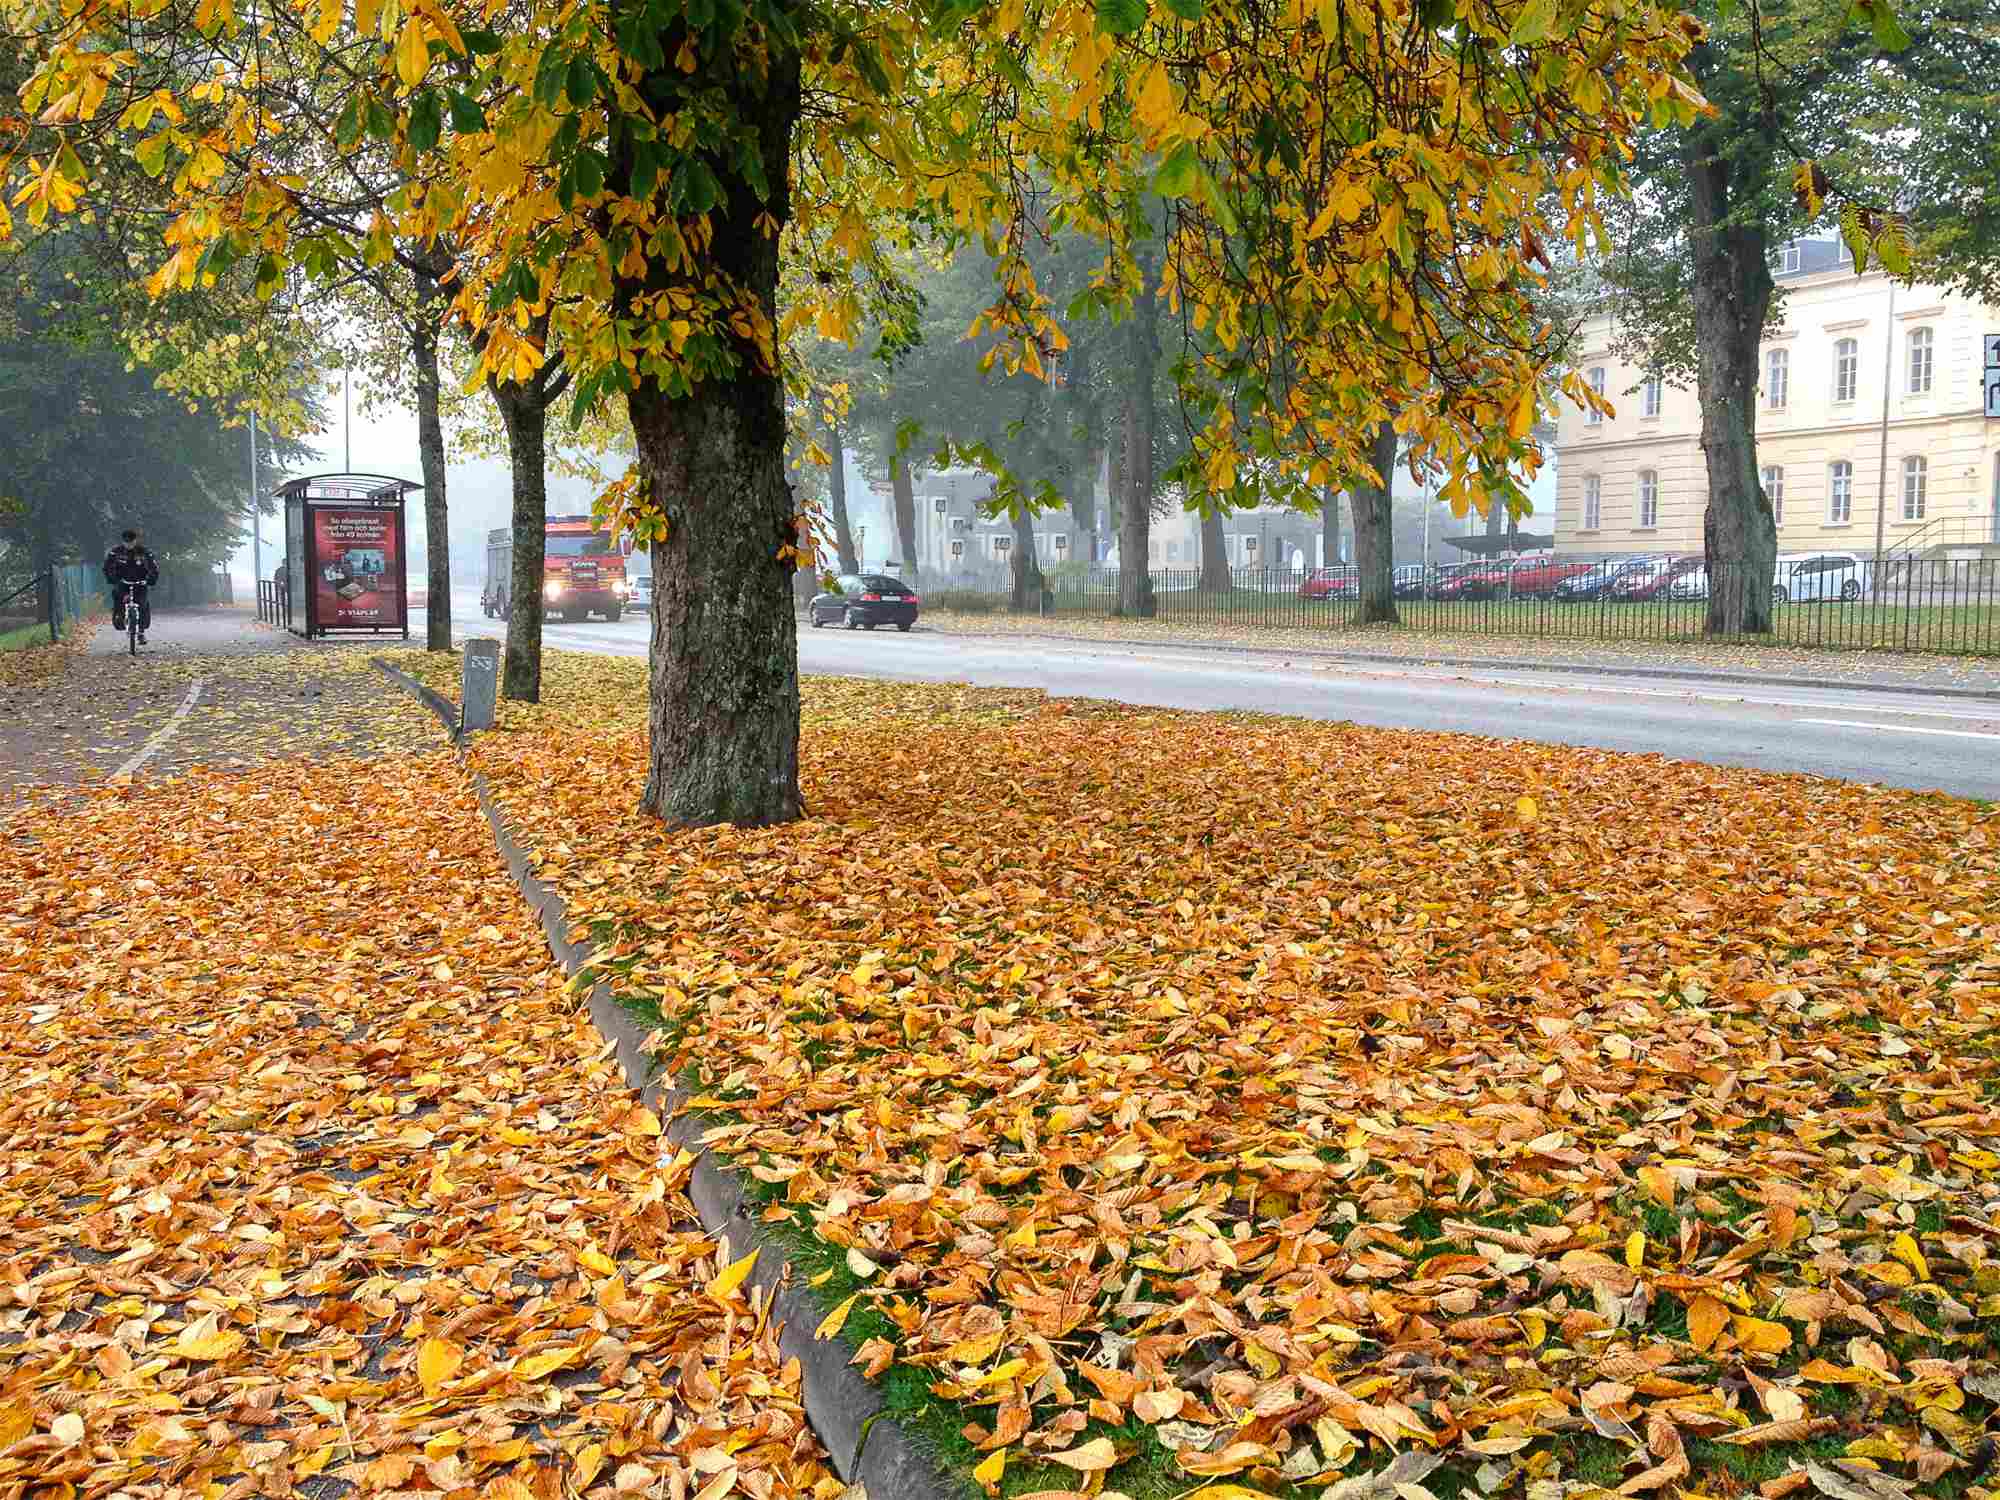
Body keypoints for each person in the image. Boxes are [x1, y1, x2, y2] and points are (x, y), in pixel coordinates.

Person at [103, 528, 160, 644]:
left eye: (131, 542)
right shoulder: (116, 552)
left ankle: (141, 632)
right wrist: (112, 579)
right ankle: (119, 616)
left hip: (140, 583)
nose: (129, 544)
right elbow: (107, 567)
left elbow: (154, 568)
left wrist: (151, 580)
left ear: (135, 541)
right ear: (123, 541)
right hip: (122, 582)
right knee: (117, 597)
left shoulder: (144, 552)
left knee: (143, 604)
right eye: (126, 542)